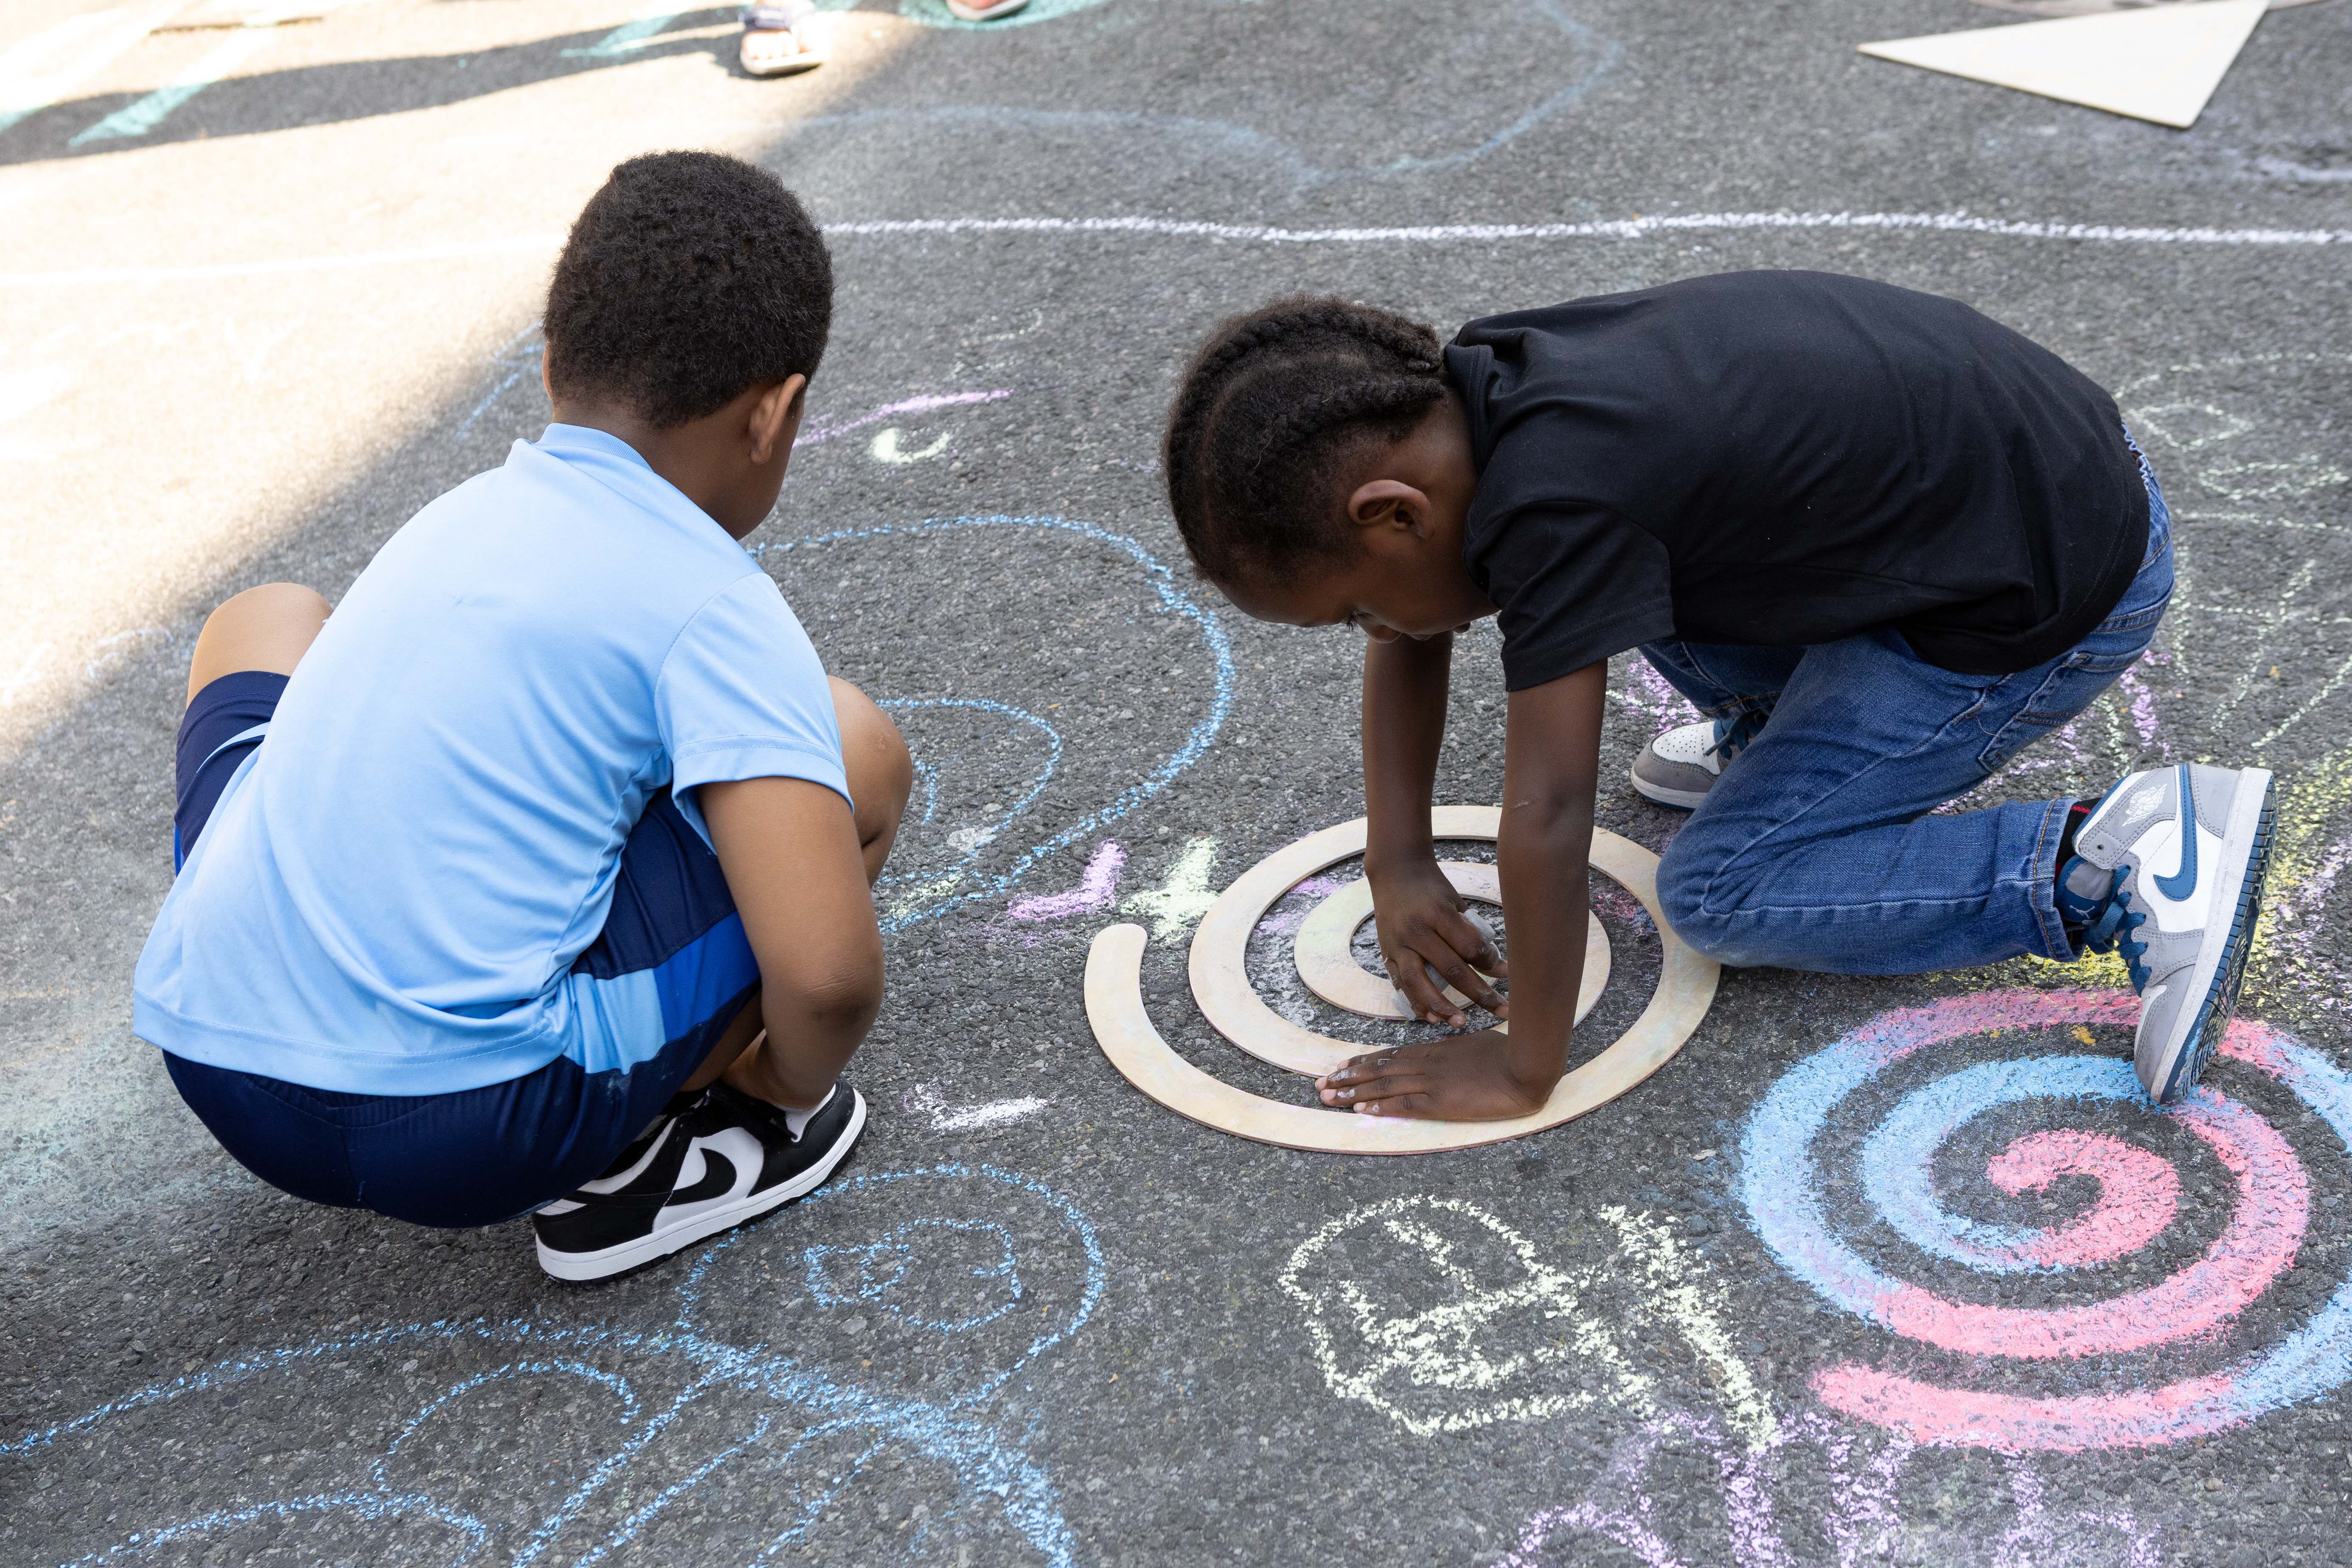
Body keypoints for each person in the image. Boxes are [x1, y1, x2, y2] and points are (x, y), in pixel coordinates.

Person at [1159, 276, 2273, 1121]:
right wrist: (1395, 861)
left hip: (2047, 592)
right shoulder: (1476, 404)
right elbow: (1418, 628)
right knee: (1614, 586)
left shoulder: (1562, 507)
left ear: (1393, 514)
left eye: (1353, 611)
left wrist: (1522, 1064)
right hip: (2003, 488)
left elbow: (1545, 816)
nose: (1374, 637)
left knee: (1727, 891)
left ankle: (2119, 857)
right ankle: (1782, 733)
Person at [135, 151, 912, 1281]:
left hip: (216, 1054)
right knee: (855, 753)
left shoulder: (458, 516)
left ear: (550, 370)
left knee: (271, 616)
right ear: (773, 416)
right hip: (466, 1124)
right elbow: (829, 974)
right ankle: (670, 1160)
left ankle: (289, 944)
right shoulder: (714, 605)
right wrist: (776, 1084)